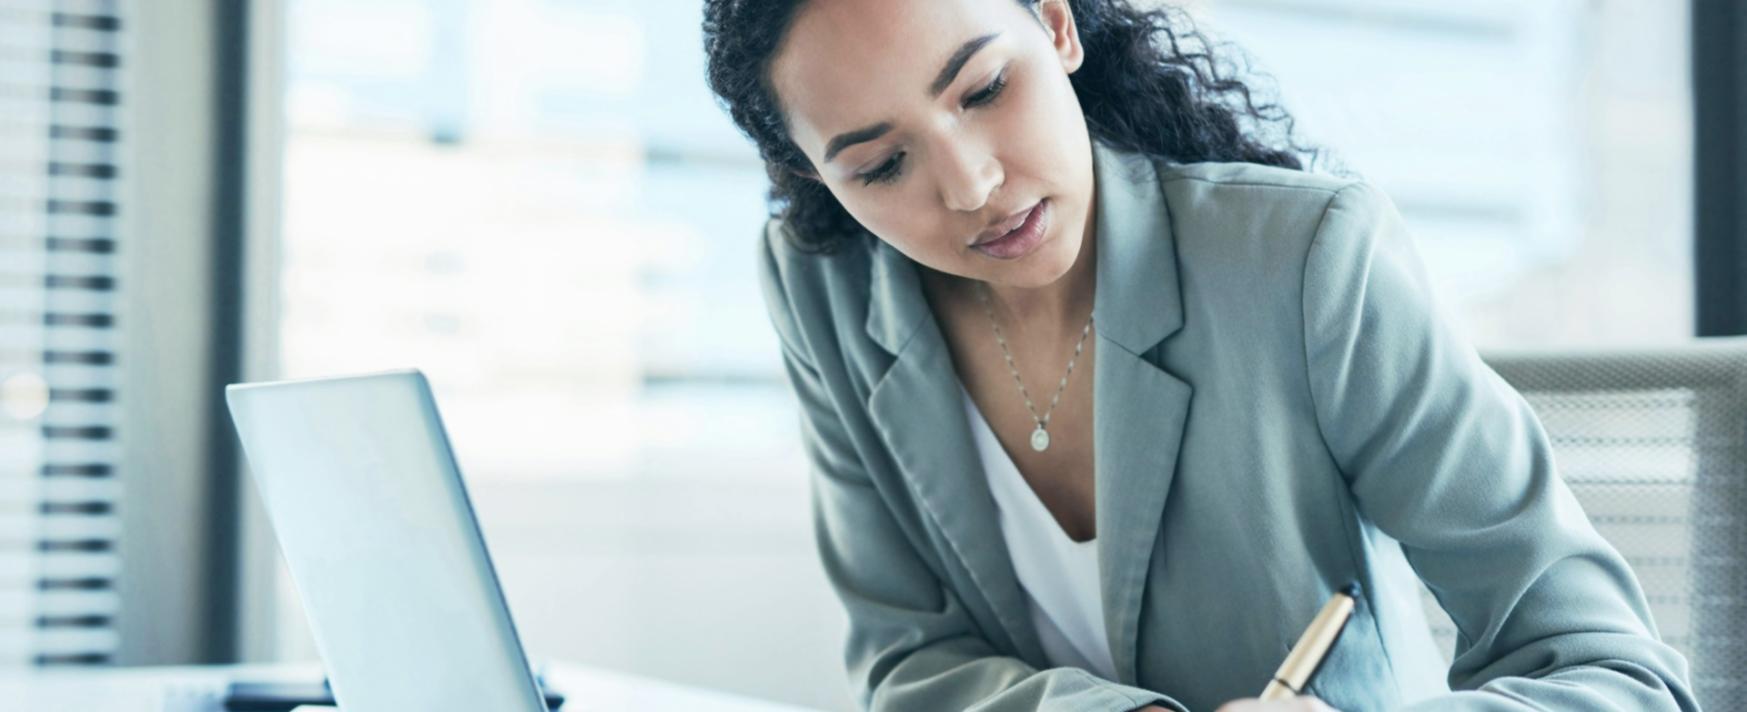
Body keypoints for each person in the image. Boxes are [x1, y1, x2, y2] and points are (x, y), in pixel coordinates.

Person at [702, 1, 1699, 710]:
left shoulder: (1306, 263)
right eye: (880, 165)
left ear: (1054, 24)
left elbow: (1617, 675)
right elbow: (907, 659)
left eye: (985, 88)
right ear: (811, 174)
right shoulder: (821, 286)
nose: (970, 187)